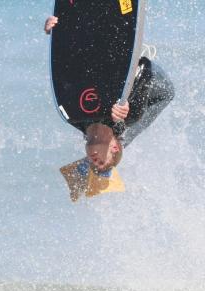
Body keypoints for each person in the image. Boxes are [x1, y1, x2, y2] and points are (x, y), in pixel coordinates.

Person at [45, 15, 175, 173]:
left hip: (97, 65)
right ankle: (120, 142)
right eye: (100, 163)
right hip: (151, 84)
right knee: (167, 94)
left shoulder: (72, 116)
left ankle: (116, 144)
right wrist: (128, 94)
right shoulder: (130, 114)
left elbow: (66, 72)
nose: (94, 163)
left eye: (93, 164)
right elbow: (145, 68)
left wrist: (57, 34)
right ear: (114, 149)